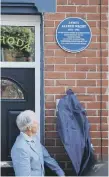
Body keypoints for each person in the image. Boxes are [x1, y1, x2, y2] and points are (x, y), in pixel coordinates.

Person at [11, 110, 65, 176]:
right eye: (35, 122)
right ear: (29, 127)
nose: (38, 123)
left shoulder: (34, 138)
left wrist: (59, 171)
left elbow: (46, 157)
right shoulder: (20, 148)